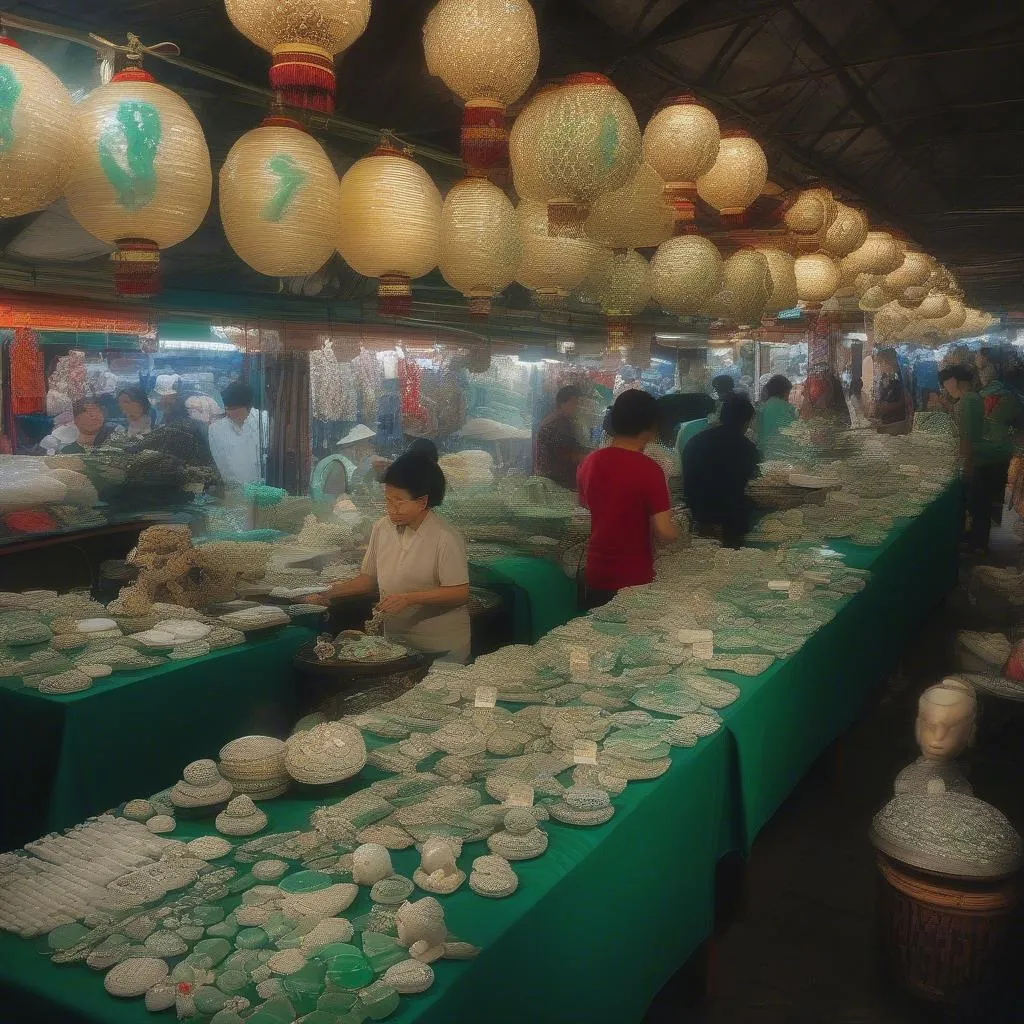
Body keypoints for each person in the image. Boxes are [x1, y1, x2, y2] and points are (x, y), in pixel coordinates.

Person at [307, 453, 471, 662]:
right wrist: (331, 592)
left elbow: (459, 593)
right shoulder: (382, 528)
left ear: (422, 501)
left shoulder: (445, 537)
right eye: (388, 500)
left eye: (400, 502)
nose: (391, 509)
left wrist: (409, 598)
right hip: (395, 645)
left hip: (441, 648)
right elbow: (368, 579)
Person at [577, 389, 679, 609]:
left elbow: (590, 505)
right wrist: (679, 527)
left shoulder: (590, 462)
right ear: (651, 427)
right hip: (632, 577)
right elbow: (665, 532)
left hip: (596, 571)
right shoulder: (649, 469)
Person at [939, 365, 1013, 553]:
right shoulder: (972, 397)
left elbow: (967, 436)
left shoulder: (969, 400)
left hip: (982, 458)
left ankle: (978, 545)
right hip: (989, 456)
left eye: (944, 383)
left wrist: (964, 466)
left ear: (953, 381)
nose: (944, 388)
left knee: (978, 503)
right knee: (980, 503)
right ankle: (976, 541)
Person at [683, 394, 760, 548]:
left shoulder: (695, 441)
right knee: (731, 561)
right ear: (746, 422)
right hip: (732, 519)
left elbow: (688, 479)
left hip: (699, 515)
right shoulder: (748, 448)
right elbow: (751, 480)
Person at [208, 381, 266, 489]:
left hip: (263, 490)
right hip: (233, 492)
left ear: (248, 407)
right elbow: (221, 464)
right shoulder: (216, 429)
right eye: (227, 408)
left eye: (234, 409)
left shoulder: (264, 421)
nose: (229, 413)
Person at [534, 385, 587, 490]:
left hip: (554, 480)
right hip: (555, 484)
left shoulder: (560, 421)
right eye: (575, 403)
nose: (578, 407)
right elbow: (568, 454)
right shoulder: (557, 425)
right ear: (563, 403)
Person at [755, 375, 797, 456]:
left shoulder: (762, 408)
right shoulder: (789, 408)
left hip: (764, 453)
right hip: (784, 454)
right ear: (785, 391)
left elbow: (758, 433)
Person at [872, 349, 911, 434]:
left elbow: (906, 400)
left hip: (897, 423)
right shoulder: (886, 377)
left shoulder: (901, 376)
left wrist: (888, 406)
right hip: (887, 421)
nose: (879, 366)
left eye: (880, 363)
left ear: (887, 362)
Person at [336, 424, 378, 492]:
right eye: (369, 441)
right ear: (359, 442)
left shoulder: (358, 455)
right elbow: (336, 487)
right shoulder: (344, 457)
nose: (371, 445)